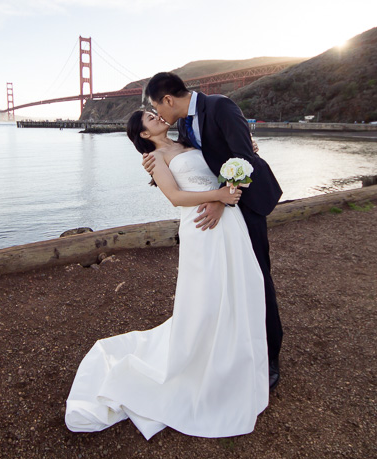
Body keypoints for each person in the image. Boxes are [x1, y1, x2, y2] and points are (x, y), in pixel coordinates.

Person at [65, 110, 268, 439]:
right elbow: (175, 198)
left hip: (230, 222)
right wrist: (218, 195)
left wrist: (244, 159)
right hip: (200, 226)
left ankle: (237, 355)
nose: (156, 114)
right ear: (143, 133)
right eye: (148, 116)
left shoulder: (190, 139)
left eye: (154, 111)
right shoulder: (154, 158)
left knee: (240, 285)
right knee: (208, 295)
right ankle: (203, 362)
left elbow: (221, 164)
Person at [142, 72, 283, 390]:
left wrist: (221, 201)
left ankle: (270, 357)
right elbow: (201, 162)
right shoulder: (183, 127)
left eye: (156, 107)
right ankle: (233, 348)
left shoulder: (220, 106)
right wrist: (155, 165)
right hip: (219, 210)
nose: (158, 114)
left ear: (168, 100)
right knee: (227, 281)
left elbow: (243, 158)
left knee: (257, 277)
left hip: (247, 205)